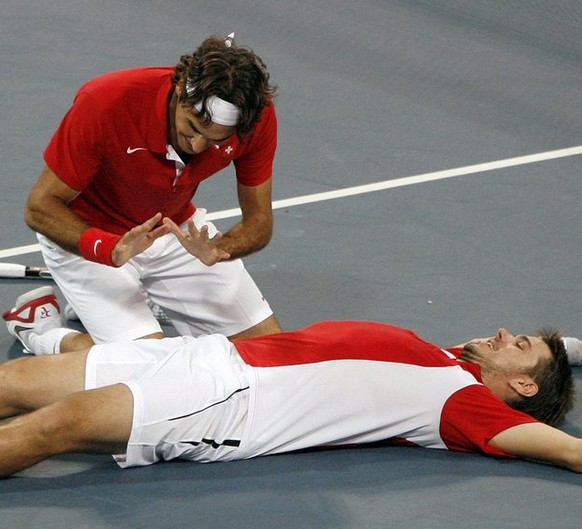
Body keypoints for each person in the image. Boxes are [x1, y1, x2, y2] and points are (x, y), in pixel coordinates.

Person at [0, 319, 580, 478]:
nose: (504, 333)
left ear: (523, 386)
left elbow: (564, 450)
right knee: (17, 380)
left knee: (58, 426)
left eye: (520, 344)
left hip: (229, 401)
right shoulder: (451, 360)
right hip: (207, 356)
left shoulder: (466, 406)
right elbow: (563, 351)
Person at [3, 33, 281, 356]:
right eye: (192, 128)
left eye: (215, 141)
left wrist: (220, 249)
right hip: (91, 236)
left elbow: (260, 221)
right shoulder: (107, 102)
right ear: (181, 89)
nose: (198, 147)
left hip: (170, 229)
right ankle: (42, 329)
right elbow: (39, 208)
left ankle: (139, 296)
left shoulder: (254, 118)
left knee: (268, 356)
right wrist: (111, 249)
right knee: (150, 372)